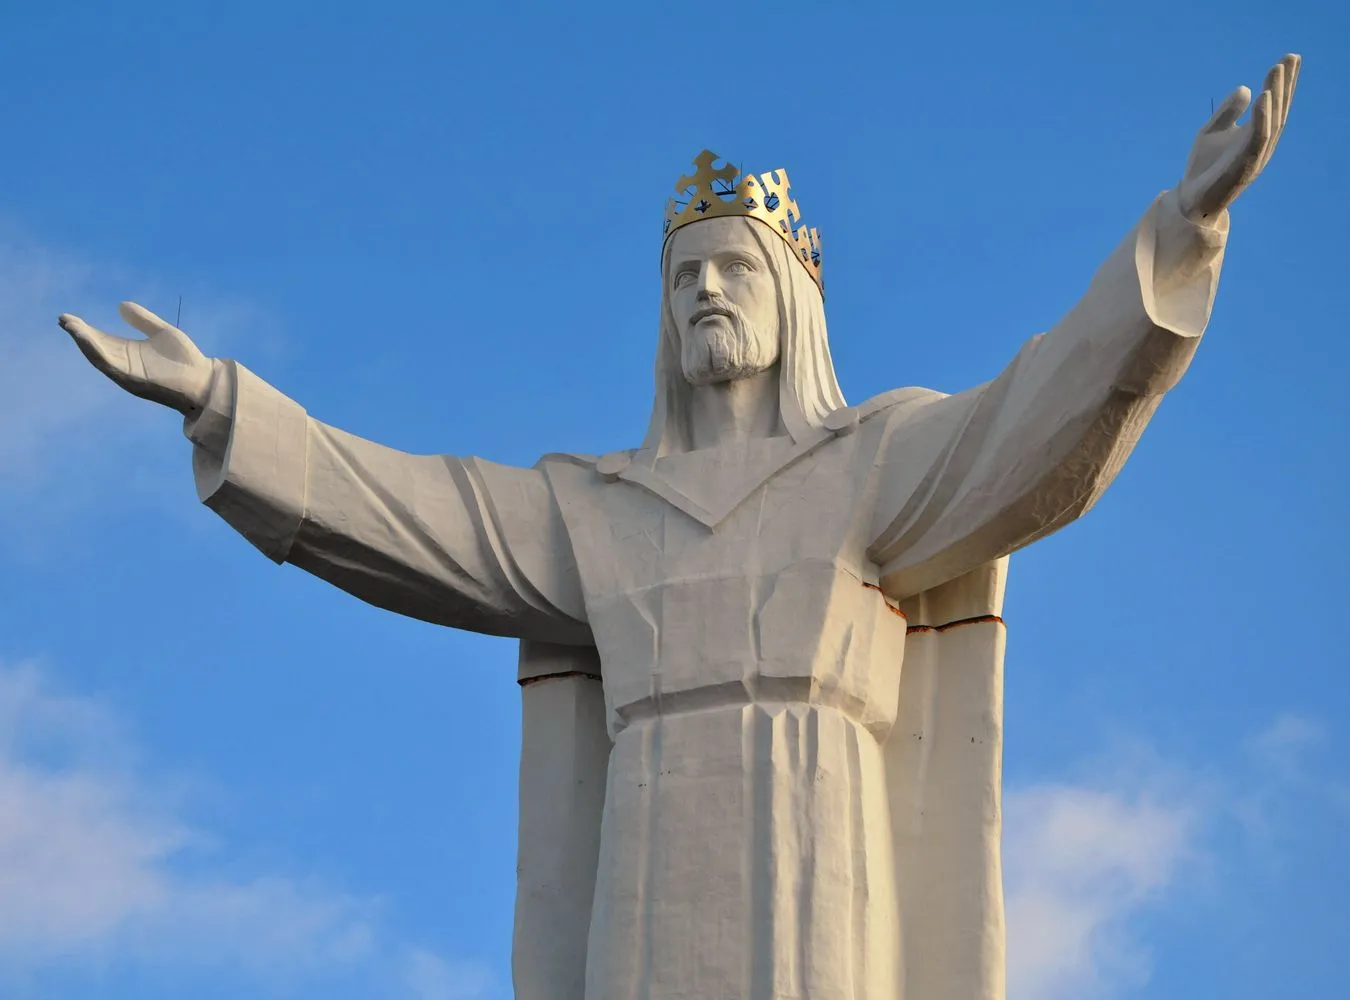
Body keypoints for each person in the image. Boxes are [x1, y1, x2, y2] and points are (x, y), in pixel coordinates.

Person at [58, 56, 1299, 1000]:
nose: (706, 289)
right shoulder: (594, 508)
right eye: (684, 275)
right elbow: (409, 513)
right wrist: (222, 402)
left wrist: (1181, 232)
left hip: (819, 851)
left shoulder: (875, 460)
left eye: (733, 268)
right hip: (647, 872)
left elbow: (1046, 417)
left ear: (793, 296)